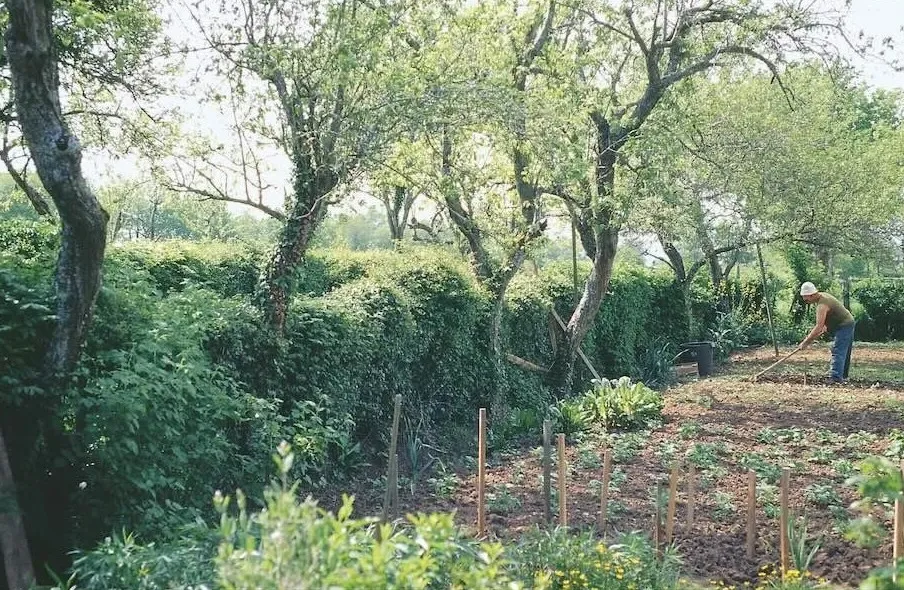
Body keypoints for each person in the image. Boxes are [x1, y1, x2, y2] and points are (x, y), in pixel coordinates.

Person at [797, 281, 855, 383]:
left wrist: (805, 342)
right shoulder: (823, 297)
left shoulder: (822, 305)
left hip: (844, 325)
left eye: (806, 298)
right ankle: (843, 376)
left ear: (812, 295)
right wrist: (825, 326)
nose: (805, 300)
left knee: (838, 349)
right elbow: (824, 322)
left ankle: (835, 377)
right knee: (844, 350)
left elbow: (818, 327)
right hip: (847, 322)